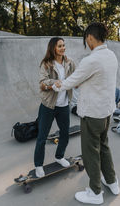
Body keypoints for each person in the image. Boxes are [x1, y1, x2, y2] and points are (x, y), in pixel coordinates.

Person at [53, 22, 120, 205]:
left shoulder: (91, 60)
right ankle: (112, 182)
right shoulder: (111, 55)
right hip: (106, 113)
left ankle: (95, 192)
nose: (86, 43)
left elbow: (71, 81)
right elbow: (95, 79)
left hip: (92, 114)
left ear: (90, 37)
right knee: (104, 147)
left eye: (86, 39)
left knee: (90, 153)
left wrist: (55, 84)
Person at [34, 37, 75, 177]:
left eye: (64, 45)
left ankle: (59, 156)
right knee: (42, 137)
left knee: (65, 134)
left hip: (64, 105)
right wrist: (53, 84)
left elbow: (76, 77)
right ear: (53, 48)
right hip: (48, 106)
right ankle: (38, 165)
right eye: (59, 46)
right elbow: (42, 83)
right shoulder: (46, 64)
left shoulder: (69, 63)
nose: (63, 48)